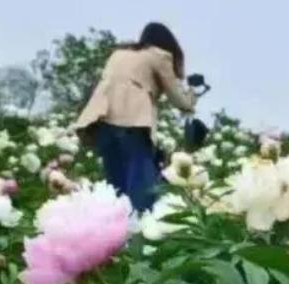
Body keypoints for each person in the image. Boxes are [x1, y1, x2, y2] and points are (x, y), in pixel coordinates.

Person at [75, 22, 199, 211]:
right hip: (132, 124)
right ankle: (143, 232)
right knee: (142, 189)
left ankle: (118, 234)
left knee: (116, 190)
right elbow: (179, 100)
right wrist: (192, 95)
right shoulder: (159, 55)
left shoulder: (119, 54)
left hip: (102, 122)